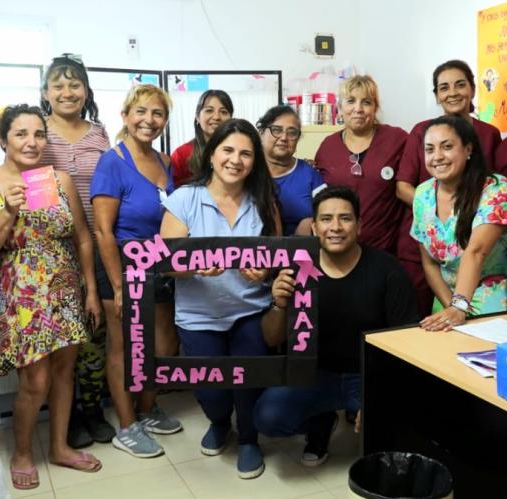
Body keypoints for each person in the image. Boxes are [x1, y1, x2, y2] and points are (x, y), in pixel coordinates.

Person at [0, 104, 103, 490]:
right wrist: (8, 212)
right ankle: (22, 451)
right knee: (35, 380)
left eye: (39, 134)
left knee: (64, 372)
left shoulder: (59, 179)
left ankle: (59, 446)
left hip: (64, 289)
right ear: (3, 139)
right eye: (21, 134)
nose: (32, 142)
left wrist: (91, 290)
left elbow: (83, 238)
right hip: (20, 295)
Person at [254, 186, 419, 466]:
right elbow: (271, 338)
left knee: (403, 423)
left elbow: (407, 344)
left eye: (345, 218)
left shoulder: (388, 270)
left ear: (359, 225)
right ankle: (321, 420)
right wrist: (279, 303)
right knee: (268, 417)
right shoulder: (297, 271)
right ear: (314, 227)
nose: (336, 227)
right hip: (315, 374)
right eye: (327, 219)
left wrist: (380, 395)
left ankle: (361, 418)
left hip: (368, 376)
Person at [160, 118, 282, 479]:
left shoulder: (263, 201)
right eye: (227, 150)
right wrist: (195, 266)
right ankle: (218, 423)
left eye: (246, 153)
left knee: (248, 383)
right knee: (211, 390)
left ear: (254, 161)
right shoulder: (184, 198)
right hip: (198, 314)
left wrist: (265, 270)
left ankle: (248, 438)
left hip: (250, 310)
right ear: (212, 155)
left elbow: (277, 255)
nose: (236, 160)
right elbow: (164, 263)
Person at [91, 84, 182, 459]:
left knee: (161, 345)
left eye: (158, 113)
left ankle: (147, 409)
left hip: (159, 267)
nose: (149, 120)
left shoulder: (165, 162)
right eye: (141, 112)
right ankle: (126, 426)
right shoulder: (113, 161)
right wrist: (118, 285)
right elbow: (102, 230)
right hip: (121, 267)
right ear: (126, 116)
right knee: (124, 348)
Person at [37, 53, 116, 449]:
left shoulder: (100, 133)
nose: (67, 92)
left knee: (93, 331)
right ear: (45, 92)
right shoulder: (36, 131)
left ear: (86, 91)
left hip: (96, 243)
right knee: (59, 337)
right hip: (50, 248)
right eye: (59, 84)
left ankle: (92, 408)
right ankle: (64, 418)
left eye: (75, 84)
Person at [396, 60, 503, 316]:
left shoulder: (489, 135)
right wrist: (436, 213)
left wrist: (461, 213)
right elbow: (402, 187)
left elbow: (478, 246)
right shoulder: (422, 132)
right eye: (444, 87)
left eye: (460, 84)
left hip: (482, 258)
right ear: (436, 95)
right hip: (430, 243)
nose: (452, 92)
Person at [411, 116, 507, 332]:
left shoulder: (495, 188)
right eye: (430, 149)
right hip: (447, 302)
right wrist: (450, 306)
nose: (437, 157)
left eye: (447, 147)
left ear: (468, 149)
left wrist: (460, 305)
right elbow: (430, 262)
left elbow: (477, 251)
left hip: (492, 301)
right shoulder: (422, 194)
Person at [314, 75, 407, 254]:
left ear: (375, 107)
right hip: (338, 250)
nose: (358, 109)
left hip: (386, 250)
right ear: (340, 108)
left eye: (366, 102)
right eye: (350, 101)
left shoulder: (397, 140)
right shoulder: (328, 147)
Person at [256, 104, 326, 235]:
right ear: (261, 133)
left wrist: (310, 223)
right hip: (255, 251)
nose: (284, 138)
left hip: (303, 252)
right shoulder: (248, 172)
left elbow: (328, 214)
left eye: (292, 132)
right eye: (276, 130)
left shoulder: (310, 174)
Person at [170, 89, 233, 187]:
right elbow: (173, 194)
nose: (216, 117)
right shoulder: (181, 154)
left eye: (223, 112)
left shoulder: (237, 152)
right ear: (197, 117)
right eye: (209, 110)